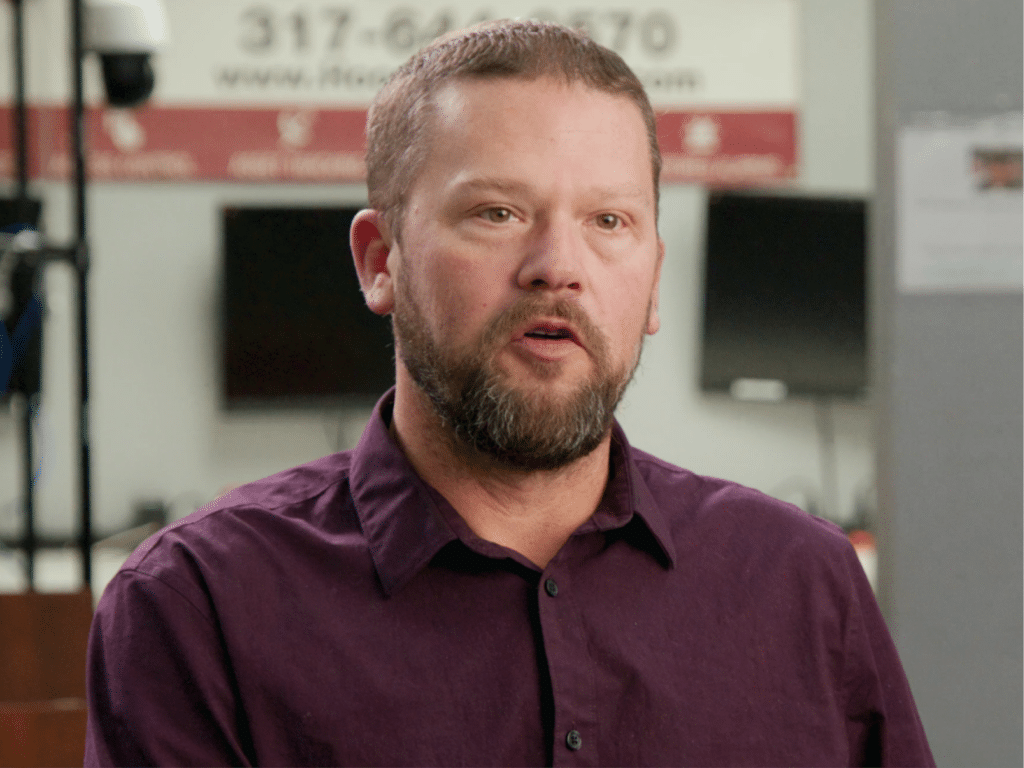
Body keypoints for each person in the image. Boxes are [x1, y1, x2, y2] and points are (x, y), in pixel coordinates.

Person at [84, 20, 934, 767]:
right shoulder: (200, 605)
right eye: (496, 212)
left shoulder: (800, 584)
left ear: (654, 282)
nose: (558, 267)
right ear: (380, 262)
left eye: (609, 222)